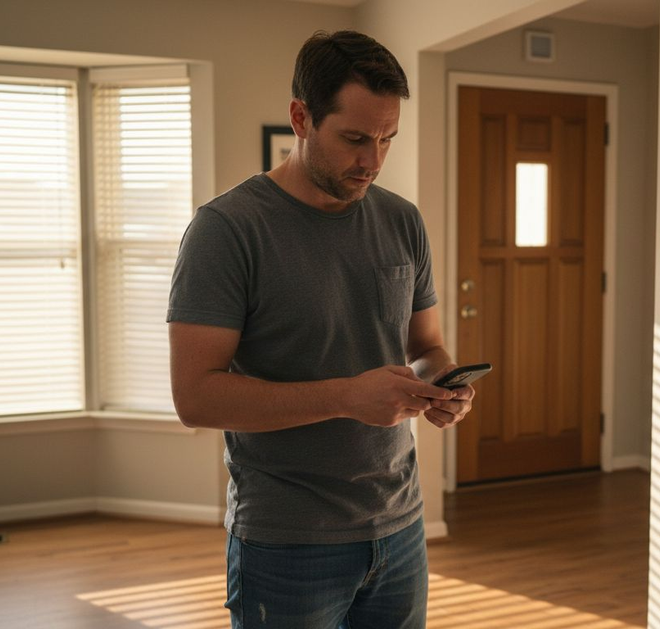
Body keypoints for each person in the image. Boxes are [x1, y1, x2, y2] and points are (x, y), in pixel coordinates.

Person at [166, 30, 475, 629]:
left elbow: (425, 346)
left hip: (400, 527)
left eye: (387, 139)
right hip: (286, 541)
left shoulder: (401, 220)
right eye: (355, 139)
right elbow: (195, 398)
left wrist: (445, 385)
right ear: (300, 118)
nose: (373, 161)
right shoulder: (227, 231)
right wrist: (346, 396)